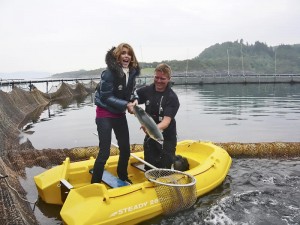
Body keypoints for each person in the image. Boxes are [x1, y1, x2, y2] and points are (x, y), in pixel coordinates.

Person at [92, 43, 140, 184]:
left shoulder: (131, 72)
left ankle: (122, 176)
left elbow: (132, 90)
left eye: (129, 53)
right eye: (123, 53)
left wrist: (135, 99)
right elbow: (106, 96)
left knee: (125, 149)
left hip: (119, 114)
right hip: (104, 114)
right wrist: (126, 105)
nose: (126, 56)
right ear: (118, 56)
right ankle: (95, 182)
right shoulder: (108, 73)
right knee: (104, 151)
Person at [136, 63, 180, 170]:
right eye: (156, 77)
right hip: (150, 137)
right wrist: (134, 103)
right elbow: (134, 98)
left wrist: (150, 128)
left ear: (169, 79)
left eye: (162, 78)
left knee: (165, 168)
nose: (159, 81)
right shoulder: (147, 90)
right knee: (149, 167)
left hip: (167, 138)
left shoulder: (172, 97)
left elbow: (166, 122)